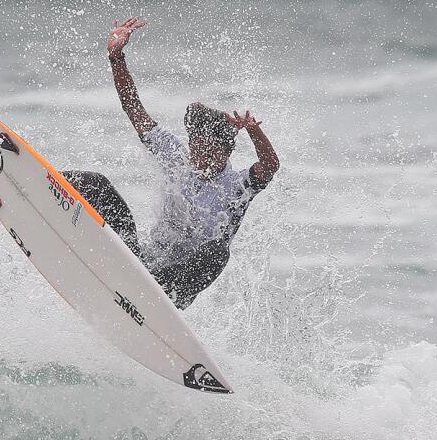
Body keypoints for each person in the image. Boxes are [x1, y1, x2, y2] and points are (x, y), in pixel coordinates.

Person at [63, 17, 280, 309]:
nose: (200, 159)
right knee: (94, 183)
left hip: (175, 287)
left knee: (217, 253)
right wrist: (116, 56)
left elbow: (269, 166)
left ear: (226, 153)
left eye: (210, 153)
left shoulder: (236, 186)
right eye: (197, 149)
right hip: (141, 265)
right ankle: (32, 184)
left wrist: (255, 131)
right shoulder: (175, 156)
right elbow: (133, 107)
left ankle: (154, 299)